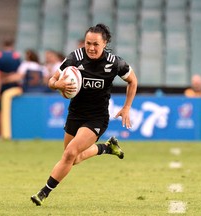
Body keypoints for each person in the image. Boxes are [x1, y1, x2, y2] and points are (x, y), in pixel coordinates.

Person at [30, 23, 138, 206]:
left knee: (70, 153)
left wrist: (127, 107)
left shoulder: (115, 63)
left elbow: (132, 81)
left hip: (97, 117)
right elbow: (51, 80)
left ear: (105, 43)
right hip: (75, 114)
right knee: (73, 158)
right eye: (88, 43)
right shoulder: (75, 57)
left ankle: (43, 193)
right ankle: (106, 148)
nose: (91, 48)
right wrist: (58, 85)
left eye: (96, 44)